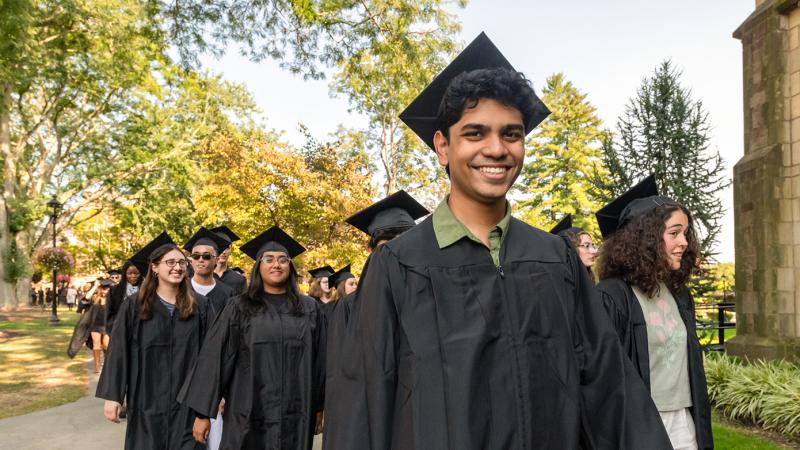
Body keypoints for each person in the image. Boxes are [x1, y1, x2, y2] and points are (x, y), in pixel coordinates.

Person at [325, 33, 672, 450]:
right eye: (475, 133)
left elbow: (607, 383)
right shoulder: (398, 265)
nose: (496, 149)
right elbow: (364, 403)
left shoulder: (554, 259)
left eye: (512, 134)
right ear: (442, 146)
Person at [178, 225, 326, 450]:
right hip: (248, 410)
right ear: (258, 266)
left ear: (290, 266)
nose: (276, 264)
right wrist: (202, 414)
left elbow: (321, 363)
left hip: (296, 412)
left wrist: (318, 407)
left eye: (283, 259)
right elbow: (215, 357)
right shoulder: (239, 307)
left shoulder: (309, 309)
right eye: (269, 259)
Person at [594, 175, 712, 450]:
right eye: (674, 233)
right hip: (640, 422)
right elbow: (605, 377)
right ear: (644, 239)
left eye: (685, 233)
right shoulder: (612, 296)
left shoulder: (679, 294)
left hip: (684, 419)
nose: (684, 242)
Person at [323, 190, 429, 450]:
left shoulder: (434, 298)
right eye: (387, 243)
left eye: (405, 239)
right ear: (370, 249)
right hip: (370, 422)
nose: (397, 248)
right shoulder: (348, 307)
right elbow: (341, 380)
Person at [96, 233, 210, 450]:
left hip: (187, 403)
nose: (177, 267)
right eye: (170, 262)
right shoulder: (134, 306)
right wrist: (113, 396)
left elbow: (210, 358)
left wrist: (205, 407)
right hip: (145, 399)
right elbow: (119, 352)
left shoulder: (200, 306)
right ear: (155, 267)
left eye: (181, 263)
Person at [184, 227, 236, 318]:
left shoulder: (228, 294)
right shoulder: (180, 288)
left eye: (206, 256)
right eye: (196, 255)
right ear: (191, 259)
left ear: (216, 260)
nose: (200, 260)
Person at [105, 261, 142, 335]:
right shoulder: (115, 290)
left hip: (141, 330)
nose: (133, 276)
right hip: (120, 330)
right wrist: (114, 328)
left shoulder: (146, 289)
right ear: (124, 274)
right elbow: (109, 312)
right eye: (129, 273)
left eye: (136, 273)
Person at [210, 225, 247, 296]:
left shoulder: (239, 280)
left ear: (231, 250)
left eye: (227, 248)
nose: (223, 251)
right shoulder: (204, 276)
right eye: (220, 247)